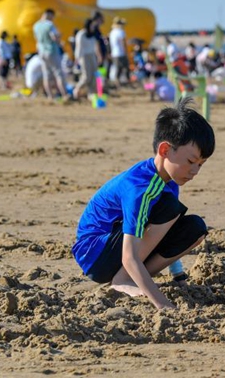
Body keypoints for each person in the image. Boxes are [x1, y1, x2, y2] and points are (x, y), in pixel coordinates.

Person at [71, 98, 214, 309]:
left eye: (201, 165)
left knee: (195, 228)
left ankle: (131, 278)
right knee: (169, 208)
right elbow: (129, 256)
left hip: (120, 250)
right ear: (165, 150)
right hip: (95, 253)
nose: (195, 171)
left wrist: (178, 277)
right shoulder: (141, 188)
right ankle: (122, 280)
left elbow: (165, 229)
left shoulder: (168, 181)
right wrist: (163, 304)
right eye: (191, 162)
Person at [33, 8, 67, 99]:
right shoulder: (50, 25)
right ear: (49, 15)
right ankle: (65, 95)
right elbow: (54, 37)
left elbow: (37, 39)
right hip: (52, 51)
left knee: (46, 74)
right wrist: (59, 38)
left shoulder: (36, 25)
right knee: (59, 73)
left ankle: (50, 96)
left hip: (41, 51)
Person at [73, 19, 99, 101]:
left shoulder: (92, 35)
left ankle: (91, 94)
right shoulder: (81, 34)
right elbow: (78, 48)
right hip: (84, 56)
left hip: (92, 56)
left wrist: (98, 57)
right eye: (92, 25)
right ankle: (77, 89)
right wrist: (77, 59)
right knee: (86, 76)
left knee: (94, 76)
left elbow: (95, 47)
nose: (93, 27)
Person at [109, 17, 129, 87]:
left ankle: (117, 82)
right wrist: (126, 52)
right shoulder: (121, 32)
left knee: (118, 68)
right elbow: (124, 43)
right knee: (124, 68)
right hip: (120, 53)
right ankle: (122, 82)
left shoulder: (112, 32)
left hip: (114, 53)